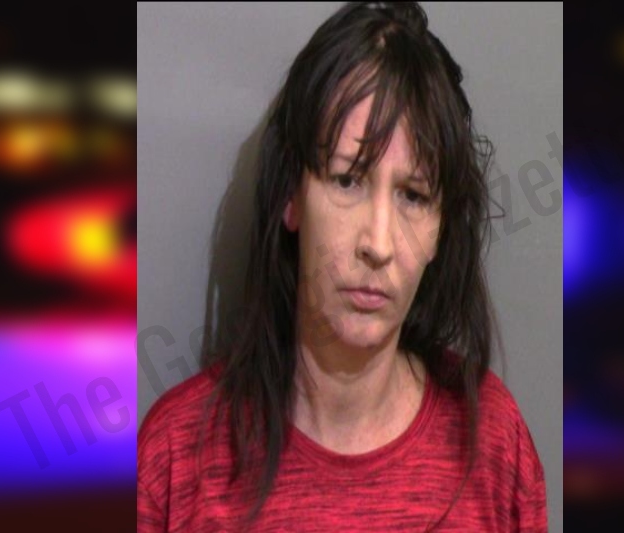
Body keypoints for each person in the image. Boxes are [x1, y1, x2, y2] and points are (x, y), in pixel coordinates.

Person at [138, 2, 547, 531]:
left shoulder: (493, 443)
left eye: (414, 195)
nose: (378, 243)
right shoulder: (176, 458)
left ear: (440, 229)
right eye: (348, 180)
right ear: (292, 196)